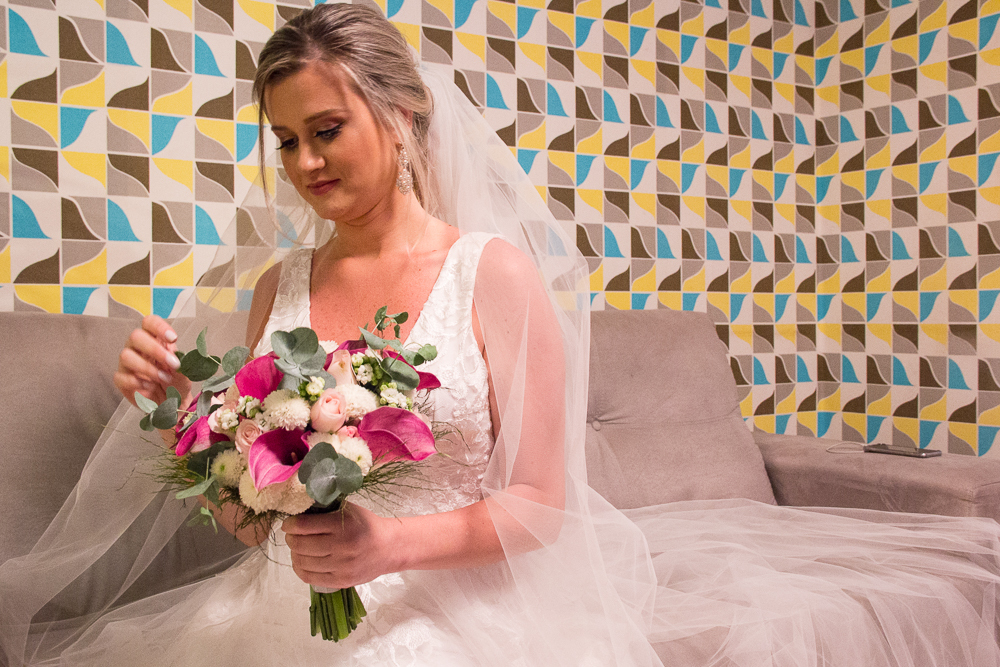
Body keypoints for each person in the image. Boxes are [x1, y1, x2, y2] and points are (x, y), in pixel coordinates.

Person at [2, 5, 1000, 666]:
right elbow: (256, 521)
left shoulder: (493, 274)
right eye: (287, 140)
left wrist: (386, 543)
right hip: (277, 611)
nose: (304, 162)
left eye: (327, 129)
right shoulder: (279, 287)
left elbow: (539, 504)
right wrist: (186, 416)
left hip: (456, 606)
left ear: (400, 116)